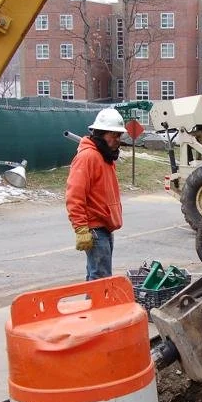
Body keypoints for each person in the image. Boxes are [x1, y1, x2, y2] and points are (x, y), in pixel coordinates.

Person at [66, 108, 125, 281]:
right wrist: (81, 228)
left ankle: (91, 306)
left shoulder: (105, 157)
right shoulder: (88, 157)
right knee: (101, 281)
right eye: (114, 135)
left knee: (98, 280)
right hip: (95, 228)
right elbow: (74, 196)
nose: (117, 141)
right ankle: (96, 307)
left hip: (105, 228)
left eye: (119, 136)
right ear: (101, 134)